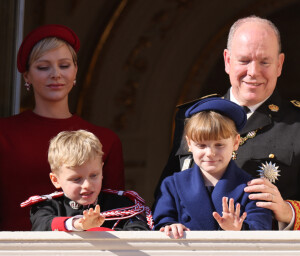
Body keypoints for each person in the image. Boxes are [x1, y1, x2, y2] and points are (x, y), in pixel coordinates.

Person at [155, 15, 300, 230]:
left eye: (264, 62)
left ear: (279, 64)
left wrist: (289, 212)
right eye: (244, 61)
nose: (253, 72)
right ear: (227, 60)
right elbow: (165, 196)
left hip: (269, 255)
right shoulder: (193, 116)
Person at [0, 24, 125, 231]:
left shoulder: (106, 139)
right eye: (43, 67)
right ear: (26, 76)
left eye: (64, 65)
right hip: (12, 254)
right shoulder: (4, 135)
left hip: (84, 255)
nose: (56, 74)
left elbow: (114, 213)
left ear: (75, 70)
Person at [153, 97, 272, 238]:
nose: (210, 153)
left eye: (219, 145)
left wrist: (239, 230)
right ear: (189, 144)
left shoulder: (253, 189)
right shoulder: (172, 185)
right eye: (201, 145)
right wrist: (170, 226)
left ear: (235, 142)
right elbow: (160, 222)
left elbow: (262, 233)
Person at [21, 130, 152, 231]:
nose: (87, 185)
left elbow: (139, 232)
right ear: (56, 180)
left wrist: (97, 231)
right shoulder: (46, 207)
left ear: (102, 171)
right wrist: (77, 224)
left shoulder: (122, 204)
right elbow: (43, 225)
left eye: (94, 175)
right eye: (77, 179)